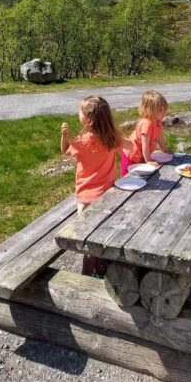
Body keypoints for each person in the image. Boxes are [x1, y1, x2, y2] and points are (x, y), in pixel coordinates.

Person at [60, 95, 133, 275]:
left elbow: (65, 152)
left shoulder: (82, 141)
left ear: (89, 119)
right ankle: (98, 268)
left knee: (87, 242)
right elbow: (130, 146)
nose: (78, 114)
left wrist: (64, 137)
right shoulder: (111, 138)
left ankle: (86, 274)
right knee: (98, 236)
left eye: (80, 111)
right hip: (107, 195)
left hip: (85, 198)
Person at [121, 90, 169, 176]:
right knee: (130, 176)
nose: (164, 112)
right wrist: (148, 160)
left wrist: (164, 149)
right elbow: (145, 144)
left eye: (164, 108)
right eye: (160, 110)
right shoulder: (146, 124)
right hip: (131, 155)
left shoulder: (158, 121)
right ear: (149, 110)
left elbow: (159, 136)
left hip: (142, 155)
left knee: (144, 176)